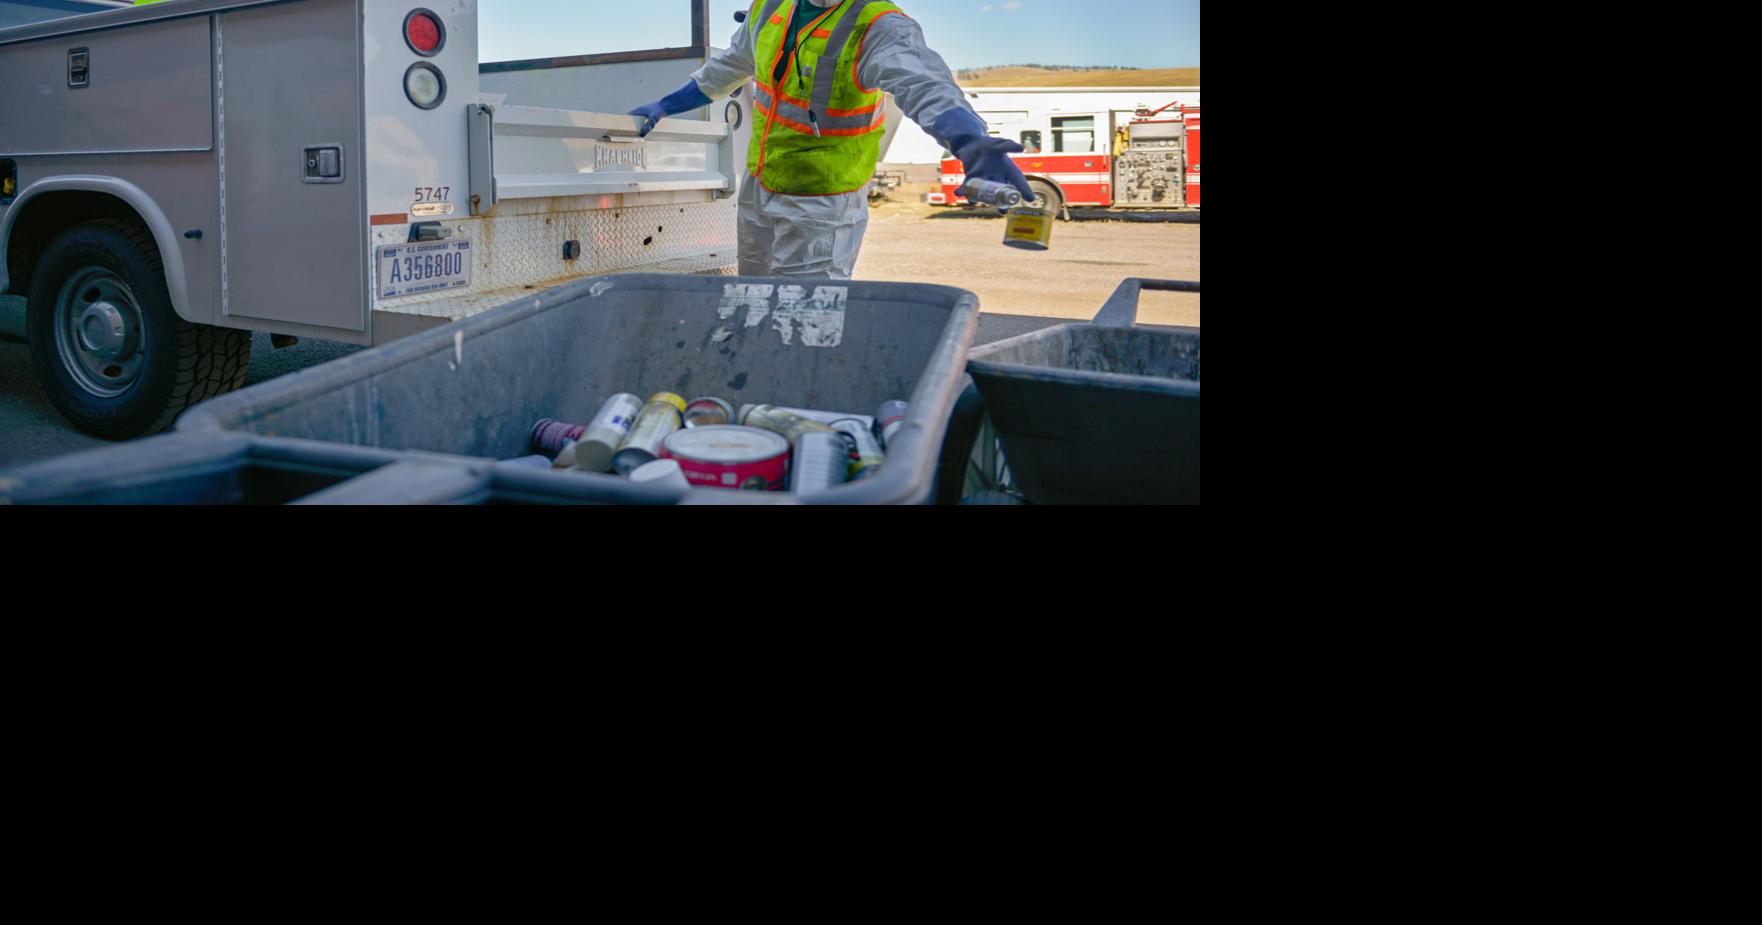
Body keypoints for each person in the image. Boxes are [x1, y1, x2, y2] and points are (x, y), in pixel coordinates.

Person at [629, 0, 1033, 279]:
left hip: (822, 204)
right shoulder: (770, 7)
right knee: (753, 298)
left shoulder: (879, 25)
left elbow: (924, 85)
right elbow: (730, 66)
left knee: (805, 315)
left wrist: (968, 140)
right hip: (761, 186)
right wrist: (666, 105)